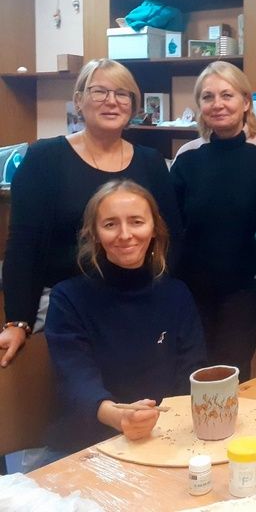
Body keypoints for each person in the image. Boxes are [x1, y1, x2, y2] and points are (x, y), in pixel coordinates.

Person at [0, 59, 181, 367]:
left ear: (133, 105)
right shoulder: (44, 158)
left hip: (136, 300)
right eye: (99, 91)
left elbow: (170, 236)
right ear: (79, 100)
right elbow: (23, 245)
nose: (112, 101)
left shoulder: (151, 162)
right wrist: (17, 320)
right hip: (64, 306)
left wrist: (162, 299)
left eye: (122, 94)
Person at [35, 180, 205, 469]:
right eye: (110, 224)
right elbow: (76, 379)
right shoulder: (68, 298)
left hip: (163, 438)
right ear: (94, 233)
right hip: (87, 444)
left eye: (137, 222)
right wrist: (118, 417)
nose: (125, 235)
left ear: (154, 229)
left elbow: (191, 369)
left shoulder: (176, 294)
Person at [170, 61, 256, 379]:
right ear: (200, 105)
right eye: (208, 96)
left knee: (231, 372)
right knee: (191, 369)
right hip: (190, 289)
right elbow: (170, 224)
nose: (218, 104)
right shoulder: (187, 156)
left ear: (246, 102)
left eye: (227, 95)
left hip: (244, 290)